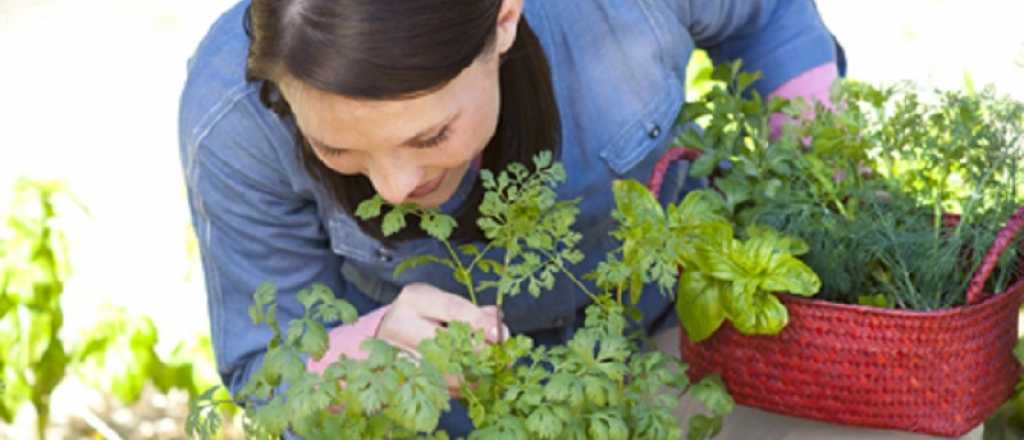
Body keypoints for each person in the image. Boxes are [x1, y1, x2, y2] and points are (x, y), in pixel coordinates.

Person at [181, 1, 986, 438]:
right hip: (465, 416)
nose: (394, 187)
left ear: (502, 20)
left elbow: (766, 15)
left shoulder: (615, 12)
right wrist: (364, 353)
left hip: (689, 340)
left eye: (430, 135)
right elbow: (271, 371)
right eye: (341, 152)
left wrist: (816, 166)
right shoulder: (234, 118)